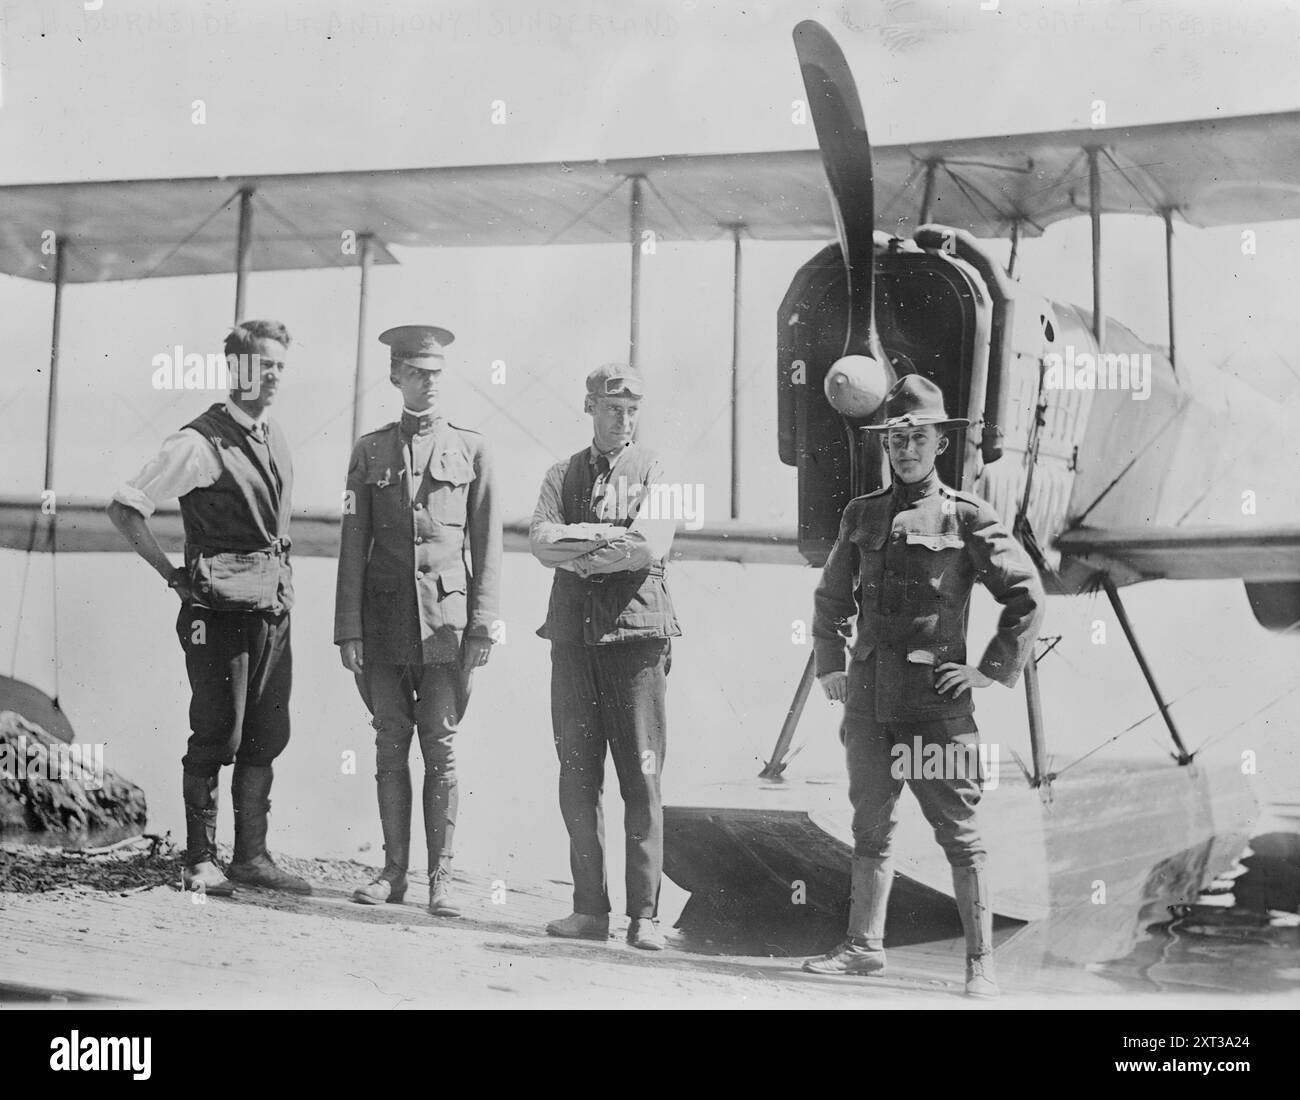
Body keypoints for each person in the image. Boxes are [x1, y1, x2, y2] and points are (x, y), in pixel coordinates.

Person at [802, 374, 1044, 997]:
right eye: (897, 437)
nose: (906, 448)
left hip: (936, 711)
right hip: (869, 708)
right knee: (870, 828)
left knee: (959, 836)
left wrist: (988, 671)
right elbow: (831, 598)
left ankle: (979, 966)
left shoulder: (967, 516)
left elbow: (1025, 597)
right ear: (887, 445)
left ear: (941, 444)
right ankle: (863, 949)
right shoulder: (861, 515)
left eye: (919, 437)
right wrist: (831, 662)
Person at [107, 319, 310, 896]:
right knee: (216, 732)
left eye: (279, 367)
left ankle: (251, 858)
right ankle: (199, 859)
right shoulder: (199, 441)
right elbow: (125, 508)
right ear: (236, 369)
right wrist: (173, 574)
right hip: (215, 611)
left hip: (272, 605)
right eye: (262, 365)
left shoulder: (273, 436)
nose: (272, 377)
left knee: (267, 733)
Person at [335, 324, 501, 917]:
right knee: (388, 746)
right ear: (395, 376)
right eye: (416, 373)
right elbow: (353, 545)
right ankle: (392, 873)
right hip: (381, 627)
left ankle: (443, 879)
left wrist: (482, 628)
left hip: (446, 629)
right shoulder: (369, 451)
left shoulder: (472, 449)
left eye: (435, 373)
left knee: (442, 746)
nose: (427, 383)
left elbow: (486, 547)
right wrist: (348, 631)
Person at [529, 363, 680, 950]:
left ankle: (645, 916)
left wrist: (580, 544)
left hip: (636, 643)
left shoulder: (656, 470)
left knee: (640, 779)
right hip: (571, 641)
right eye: (613, 407)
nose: (624, 418)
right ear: (590, 406)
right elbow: (540, 541)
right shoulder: (560, 471)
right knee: (576, 775)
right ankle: (590, 911)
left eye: (633, 409)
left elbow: (649, 544)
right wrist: (604, 540)